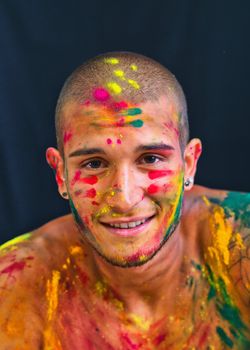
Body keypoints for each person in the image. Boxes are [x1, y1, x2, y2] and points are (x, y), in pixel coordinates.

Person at [0, 52, 249, 350]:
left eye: (151, 159)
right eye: (94, 164)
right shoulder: (14, 287)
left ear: (189, 164)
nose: (125, 199)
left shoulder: (238, 247)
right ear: (61, 174)